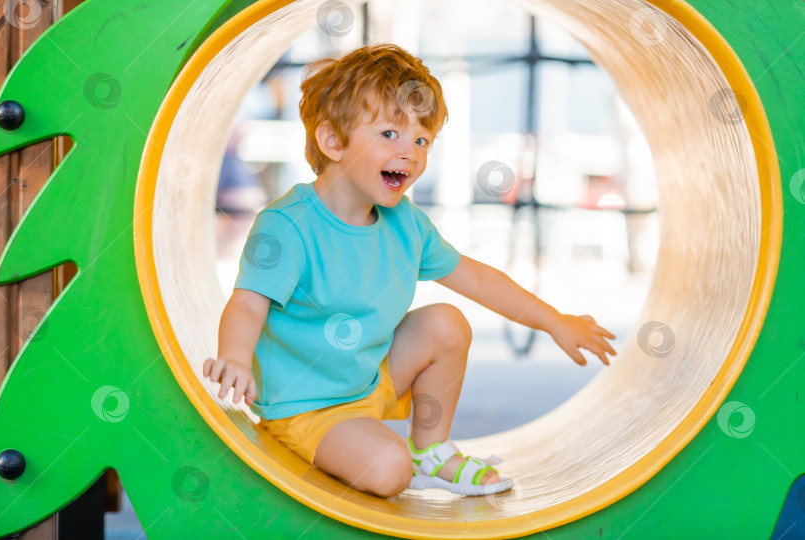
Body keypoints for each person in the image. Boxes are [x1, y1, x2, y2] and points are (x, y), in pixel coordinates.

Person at [203, 44, 616, 498]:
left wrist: (554, 320)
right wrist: (236, 359)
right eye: (389, 135)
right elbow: (247, 302)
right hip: (305, 406)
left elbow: (477, 279)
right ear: (333, 141)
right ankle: (377, 452)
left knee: (446, 322)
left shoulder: (407, 224)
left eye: (421, 141)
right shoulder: (288, 226)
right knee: (388, 472)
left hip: (371, 378)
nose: (411, 154)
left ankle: (431, 450)